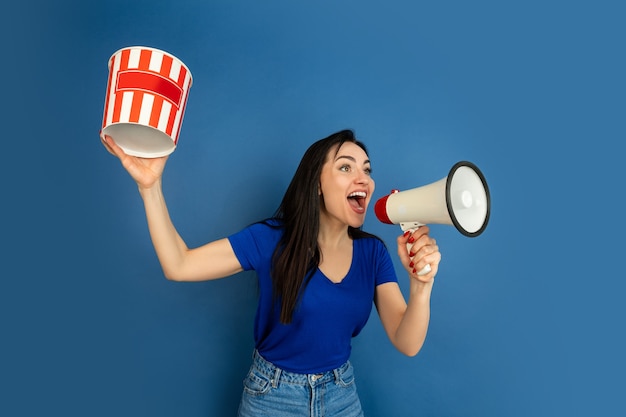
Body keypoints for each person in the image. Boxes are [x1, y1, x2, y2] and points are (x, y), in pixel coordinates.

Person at [101, 129, 441, 417]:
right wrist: (150, 187)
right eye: (345, 167)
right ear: (317, 184)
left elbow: (406, 341)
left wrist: (421, 286)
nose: (362, 179)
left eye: (366, 170)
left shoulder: (373, 254)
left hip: (341, 396)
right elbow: (179, 264)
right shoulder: (270, 240)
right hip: (272, 398)